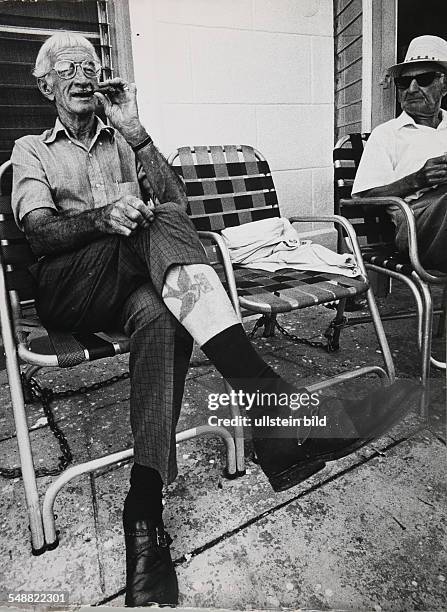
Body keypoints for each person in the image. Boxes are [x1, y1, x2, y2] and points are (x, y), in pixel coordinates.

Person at [12, 32, 415, 607]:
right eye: (68, 67)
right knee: (153, 226)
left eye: (91, 65)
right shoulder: (32, 148)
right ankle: (275, 406)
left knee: (162, 308)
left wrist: (137, 132)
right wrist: (105, 217)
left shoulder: (122, 142)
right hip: (69, 287)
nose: (82, 75)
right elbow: (38, 230)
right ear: (47, 83)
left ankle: (142, 514)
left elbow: (176, 200)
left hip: (133, 285)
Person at [352, 35, 447, 271]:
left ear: (444, 85)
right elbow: (363, 201)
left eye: (423, 79)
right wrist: (416, 180)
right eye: (404, 83)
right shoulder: (388, 134)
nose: (412, 88)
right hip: (416, 227)